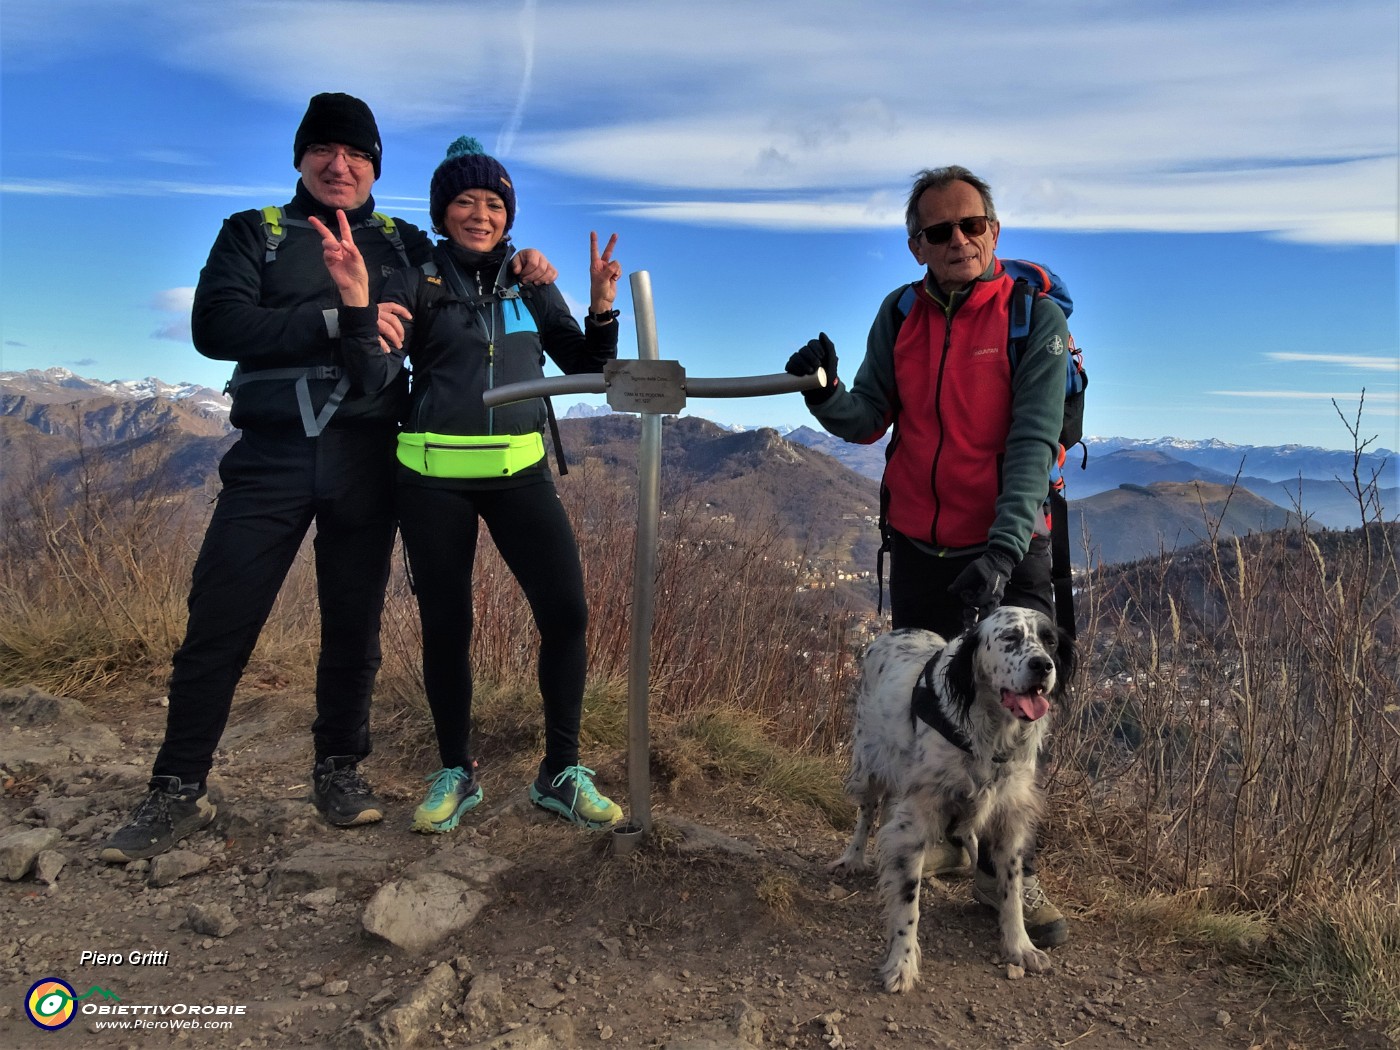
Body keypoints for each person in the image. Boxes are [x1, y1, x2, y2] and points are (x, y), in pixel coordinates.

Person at [100, 95, 556, 863]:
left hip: (368, 453)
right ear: (300, 158)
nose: (339, 166)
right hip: (270, 455)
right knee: (222, 617)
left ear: (376, 164)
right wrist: (338, 321)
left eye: (357, 154)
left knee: (353, 623)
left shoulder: (404, 243)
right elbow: (217, 326)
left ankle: (340, 770)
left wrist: (525, 263)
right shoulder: (257, 233)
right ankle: (177, 787)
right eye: (324, 151)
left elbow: (468, 265)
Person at [784, 165, 1071, 948]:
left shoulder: (1030, 318)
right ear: (916, 244)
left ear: (995, 232)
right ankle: (937, 839)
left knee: (1018, 721)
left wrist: (1003, 553)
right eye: (939, 230)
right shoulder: (900, 312)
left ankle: (1008, 877)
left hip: (1008, 547)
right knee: (930, 716)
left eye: (971, 224)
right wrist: (820, 390)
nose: (958, 240)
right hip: (917, 541)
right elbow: (868, 417)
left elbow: (1030, 445)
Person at [310, 135, 624, 834]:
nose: (478, 214)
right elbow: (378, 356)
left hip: (520, 474)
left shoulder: (532, 282)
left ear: (507, 213)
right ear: (442, 210)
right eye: (463, 201)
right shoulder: (415, 274)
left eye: (491, 202)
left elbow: (586, 364)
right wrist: (364, 312)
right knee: (447, 628)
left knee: (567, 613)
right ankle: (456, 771)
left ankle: (561, 773)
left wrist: (602, 304)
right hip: (430, 481)